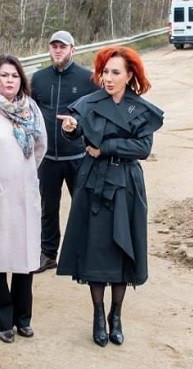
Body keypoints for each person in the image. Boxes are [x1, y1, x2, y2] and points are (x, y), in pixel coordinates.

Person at [56, 46, 164, 347]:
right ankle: (98, 315)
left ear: (130, 76)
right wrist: (69, 130)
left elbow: (142, 148)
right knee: (95, 249)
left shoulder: (140, 109)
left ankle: (116, 316)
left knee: (122, 248)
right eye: (105, 71)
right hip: (94, 181)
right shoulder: (89, 103)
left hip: (126, 183)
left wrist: (105, 147)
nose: (108, 78)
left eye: (115, 72)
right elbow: (76, 129)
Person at [0, 56, 46, 343]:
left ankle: (22, 318)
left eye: (14, 76)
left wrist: (25, 173)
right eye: (3, 75)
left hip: (24, 191)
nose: (9, 80)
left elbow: (40, 145)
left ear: (21, 80)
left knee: (25, 256)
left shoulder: (30, 108)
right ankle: (2, 320)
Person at [30, 30, 99, 273]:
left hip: (77, 157)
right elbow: (29, 113)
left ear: (73, 49)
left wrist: (83, 131)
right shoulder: (38, 79)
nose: (58, 50)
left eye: (63, 46)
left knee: (83, 206)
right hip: (47, 158)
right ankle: (48, 254)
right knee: (48, 208)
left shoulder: (87, 79)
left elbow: (96, 115)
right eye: (54, 46)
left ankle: (86, 254)